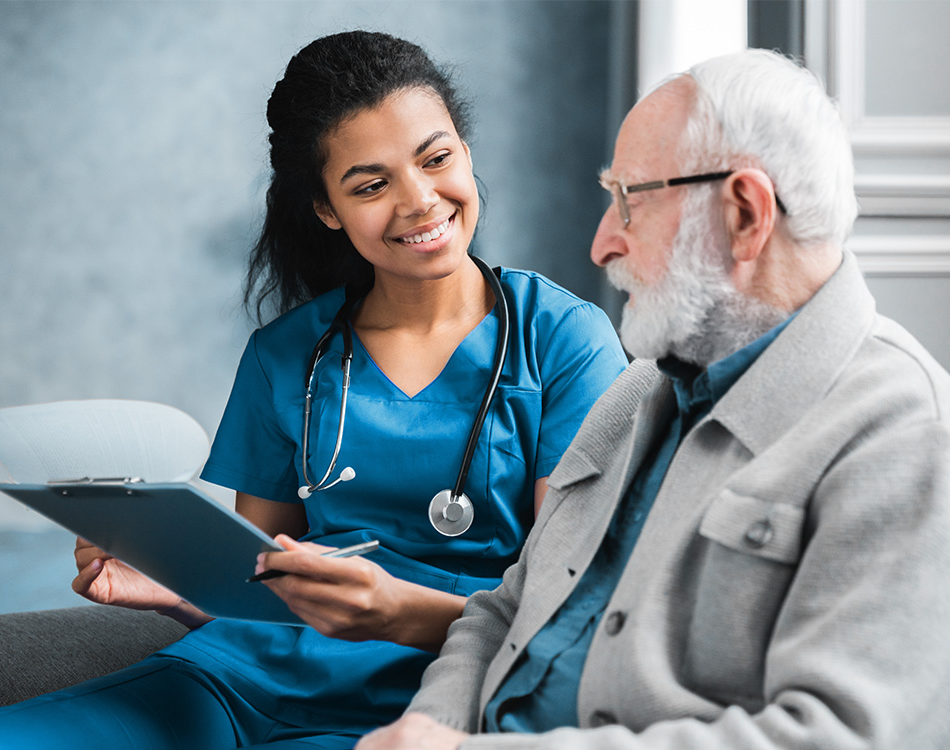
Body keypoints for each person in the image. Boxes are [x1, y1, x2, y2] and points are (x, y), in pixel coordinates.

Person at [0, 30, 626, 750]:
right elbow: (263, 585)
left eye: (437, 159)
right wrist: (181, 591)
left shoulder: (564, 342)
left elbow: (572, 600)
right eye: (371, 185)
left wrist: (392, 611)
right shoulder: (286, 357)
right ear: (327, 209)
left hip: (439, 700)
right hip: (239, 681)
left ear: (466, 150)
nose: (420, 201)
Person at [357, 48, 950, 750]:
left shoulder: (905, 430)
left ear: (744, 213)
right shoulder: (639, 390)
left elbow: (833, 740)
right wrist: (428, 728)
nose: (602, 244)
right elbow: (504, 609)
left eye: (629, 200)